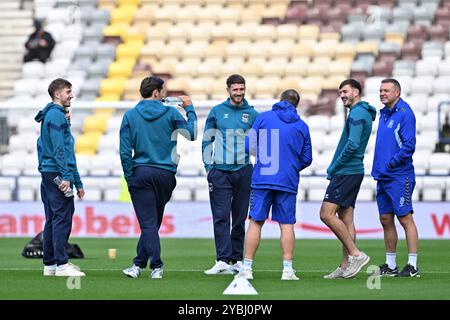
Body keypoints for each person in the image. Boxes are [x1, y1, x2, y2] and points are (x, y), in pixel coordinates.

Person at [120, 76, 197, 279]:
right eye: (163, 91)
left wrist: (130, 177)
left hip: (142, 172)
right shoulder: (171, 112)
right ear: (156, 93)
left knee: (148, 224)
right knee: (152, 223)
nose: (165, 94)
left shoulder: (130, 115)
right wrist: (189, 108)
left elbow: (124, 151)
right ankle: (137, 265)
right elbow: (192, 133)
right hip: (165, 174)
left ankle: (156, 266)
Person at [236, 89, 312, 281]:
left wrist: (263, 159)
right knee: (286, 225)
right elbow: (307, 158)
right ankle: (287, 270)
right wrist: (291, 166)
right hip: (287, 180)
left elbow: (248, 146)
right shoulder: (302, 126)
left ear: (280, 100)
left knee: (255, 222)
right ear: (296, 104)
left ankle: (247, 268)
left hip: (263, 177)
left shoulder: (263, 118)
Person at [202, 74, 259, 275]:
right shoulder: (217, 111)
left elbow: (260, 142)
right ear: (228, 90)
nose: (239, 93)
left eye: (241, 89)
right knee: (220, 217)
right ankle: (222, 260)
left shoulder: (252, 114)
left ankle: (236, 260)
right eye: (235, 89)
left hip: (244, 170)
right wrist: (209, 167)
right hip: (220, 171)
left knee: (240, 218)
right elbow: (207, 140)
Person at [320, 79, 376, 279]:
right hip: (353, 171)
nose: (342, 95)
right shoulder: (361, 112)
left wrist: (334, 167)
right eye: (340, 92)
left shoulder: (358, 113)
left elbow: (352, 145)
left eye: (345, 91)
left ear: (356, 92)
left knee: (326, 214)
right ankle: (345, 267)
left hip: (347, 171)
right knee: (346, 219)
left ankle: (356, 254)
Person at [35, 78, 85, 277]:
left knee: (52, 219)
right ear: (57, 94)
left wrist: (78, 181)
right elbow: (60, 150)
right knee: (62, 218)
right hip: (57, 173)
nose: (71, 95)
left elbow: (46, 146)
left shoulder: (53, 115)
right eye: (68, 91)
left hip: (50, 172)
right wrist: (66, 177)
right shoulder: (56, 116)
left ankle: (50, 265)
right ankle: (62, 265)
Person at [371, 78, 419, 277]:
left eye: (386, 90)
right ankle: (391, 266)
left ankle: (413, 265)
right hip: (383, 177)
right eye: (381, 90)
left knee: (405, 218)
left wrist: (391, 163)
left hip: (400, 176)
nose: (382, 93)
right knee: (385, 219)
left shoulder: (404, 114)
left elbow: (409, 146)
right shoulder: (383, 114)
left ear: (397, 92)